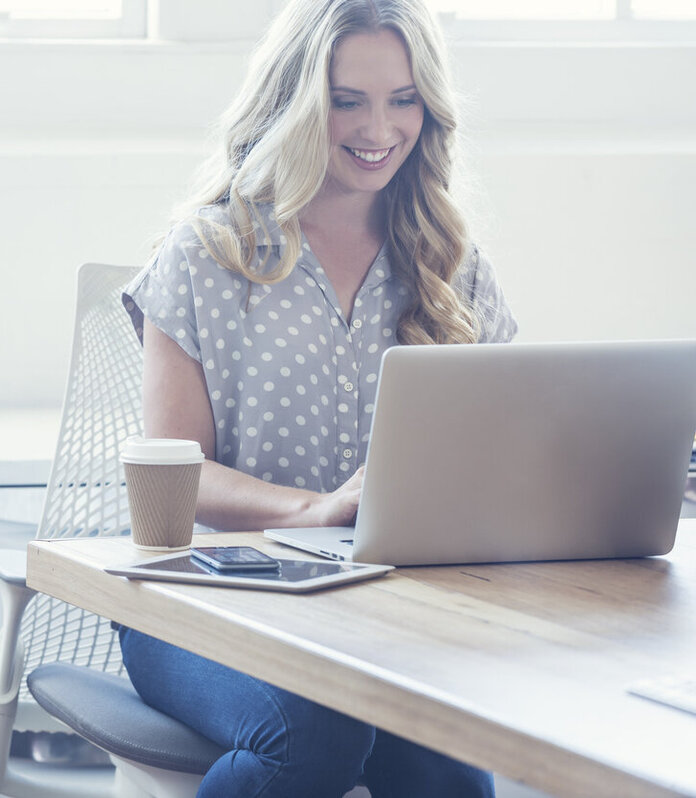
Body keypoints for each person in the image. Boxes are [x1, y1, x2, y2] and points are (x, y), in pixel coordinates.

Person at [119, 0, 517, 796]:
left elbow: (503, 442)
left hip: (388, 613)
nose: (380, 128)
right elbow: (178, 474)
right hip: (203, 598)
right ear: (298, 102)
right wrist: (316, 510)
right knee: (317, 733)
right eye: (348, 100)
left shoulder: (451, 265)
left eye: (404, 99)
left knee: (452, 769)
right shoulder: (207, 252)